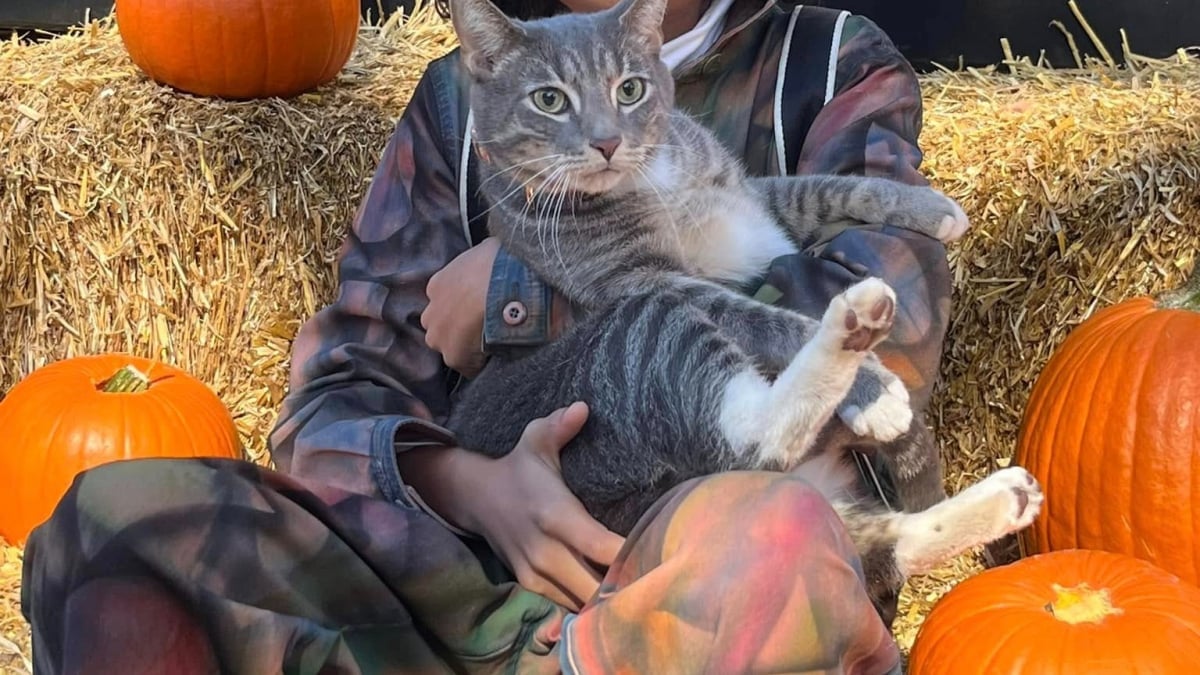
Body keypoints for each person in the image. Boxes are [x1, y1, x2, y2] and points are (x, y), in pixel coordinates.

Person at [20, 0, 953, 671]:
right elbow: (334, 399)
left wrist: (521, 289)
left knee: (776, 543)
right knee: (119, 517)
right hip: (464, 581)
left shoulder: (827, 64)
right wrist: (473, 484)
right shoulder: (471, 91)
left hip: (690, 569)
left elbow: (894, 327)